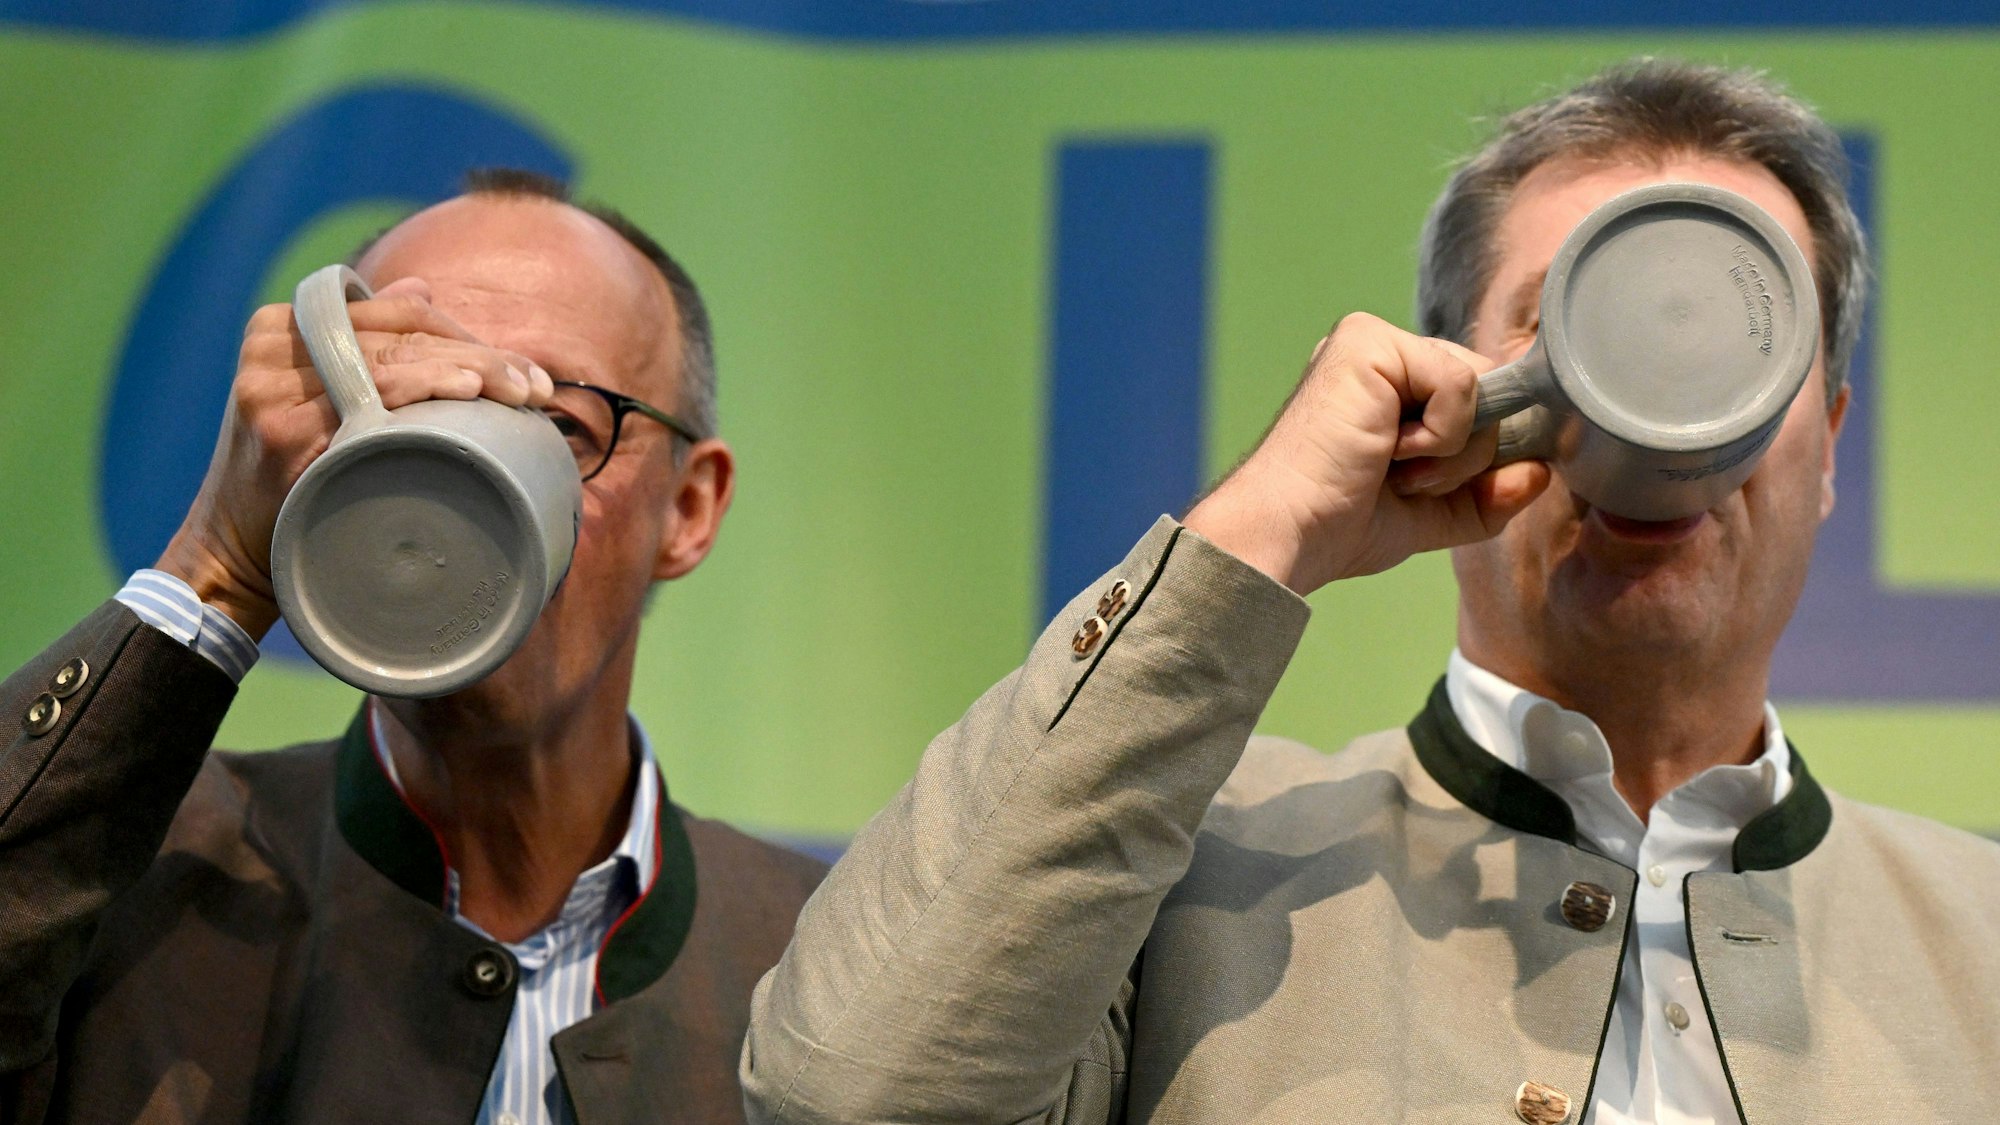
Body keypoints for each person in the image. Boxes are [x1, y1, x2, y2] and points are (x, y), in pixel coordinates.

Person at [740, 59, 2000, 1124]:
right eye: (1571, 331)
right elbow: (850, 1094)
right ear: (1445, 389)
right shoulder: (1185, 873)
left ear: (1828, 439)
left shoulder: (1978, 936)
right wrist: (1259, 531)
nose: (1658, 407)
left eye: (1736, 344)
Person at [0, 170, 825, 1124]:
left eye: (561, 424)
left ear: (688, 509)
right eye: (411, 415)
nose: (469, 483)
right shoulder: (142, 876)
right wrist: (216, 567)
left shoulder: (823, 965)